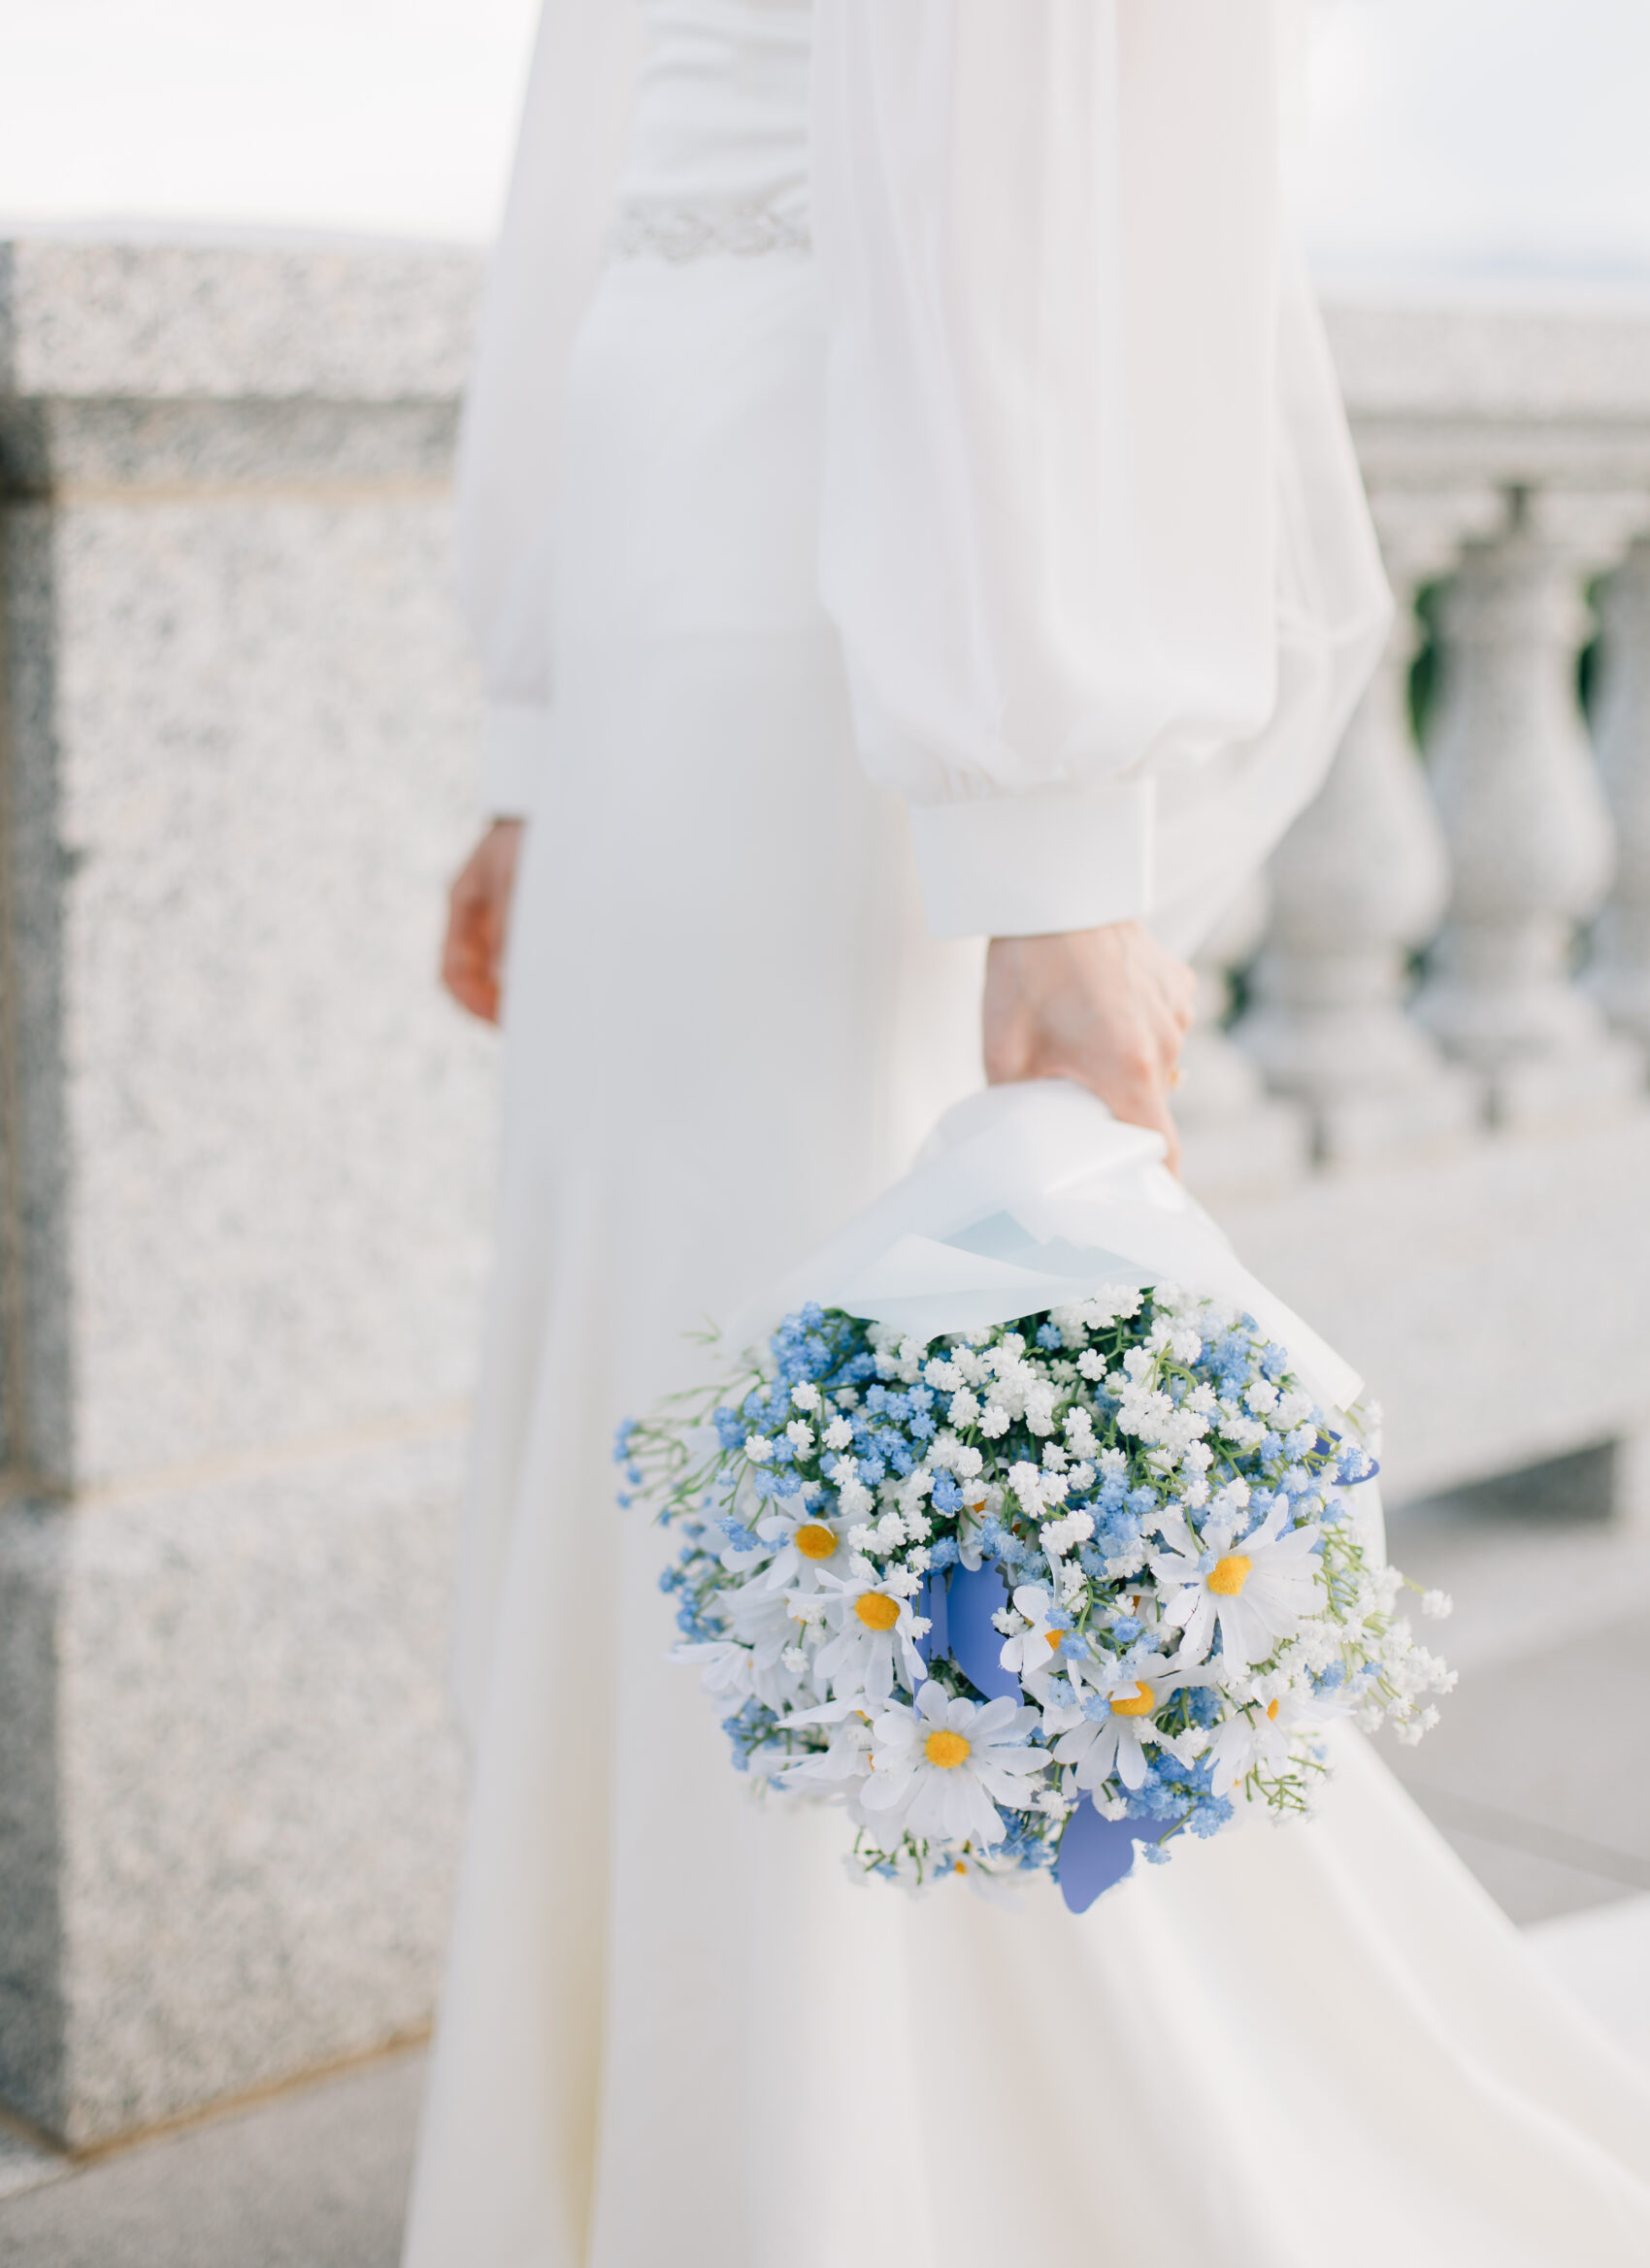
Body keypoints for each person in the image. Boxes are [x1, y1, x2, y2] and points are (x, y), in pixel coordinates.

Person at [406, 6, 1650, 2263]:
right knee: (735, 1373)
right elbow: (1032, 149)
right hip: (794, 548)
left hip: (739, 528)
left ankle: (818, 2160)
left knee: (784, 1374)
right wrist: (1028, 816)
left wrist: (574, 714)